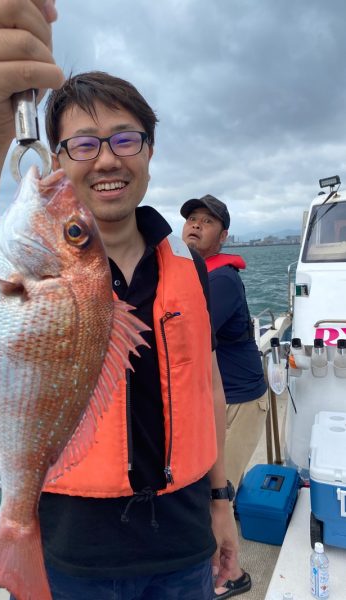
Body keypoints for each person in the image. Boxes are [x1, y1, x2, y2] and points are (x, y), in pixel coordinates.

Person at [0, 2, 239, 598]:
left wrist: (223, 504)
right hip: (68, 547)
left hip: (185, 540)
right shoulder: (18, 258)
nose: (108, 158)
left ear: (149, 150)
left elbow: (208, 388)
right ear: (56, 159)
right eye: (84, 143)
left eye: (125, 138)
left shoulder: (192, 265)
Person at [181, 195, 268, 600]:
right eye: (191, 219)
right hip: (219, 399)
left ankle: (231, 575)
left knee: (219, 492)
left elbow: (181, 338)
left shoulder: (220, 280)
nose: (195, 226)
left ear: (224, 235)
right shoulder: (191, 275)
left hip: (238, 400)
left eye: (207, 221)